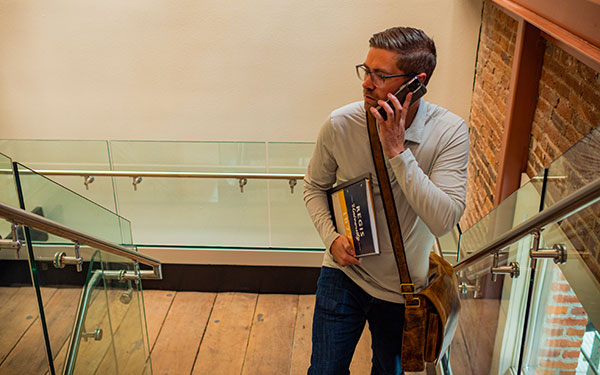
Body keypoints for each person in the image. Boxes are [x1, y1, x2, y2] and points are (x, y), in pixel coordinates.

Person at [303, 26, 469, 375]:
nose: (366, 83)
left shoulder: (450, 132)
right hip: (344, 274)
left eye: (380, 75)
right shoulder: (340, 124)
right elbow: (313, 187)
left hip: (404, 290)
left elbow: (444, 220)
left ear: (417, 82)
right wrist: (331, 239)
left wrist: (397, 151)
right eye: (366, 71)